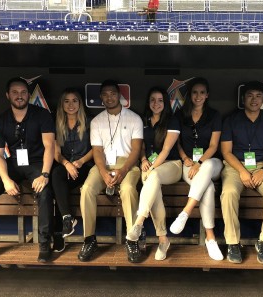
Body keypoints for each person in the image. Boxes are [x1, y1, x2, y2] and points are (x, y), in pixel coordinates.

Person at [0, 77, 55, 263]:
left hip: (36, 163)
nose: (20, 96)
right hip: (13, 164)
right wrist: (5, 180)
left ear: (28, 94)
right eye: (15, 92)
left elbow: (49, 146)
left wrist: (44, 174)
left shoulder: (42, 115)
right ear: (7, 95)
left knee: (45, 191)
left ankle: (44, 243)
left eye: (23, 92)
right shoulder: (1, 120)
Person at [78, 79, 143, 263]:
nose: (109, 97)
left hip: (128, 164)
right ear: (101, 97)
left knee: (129, 189)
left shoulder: (134, 118)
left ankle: (132, 240)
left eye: (113, 93)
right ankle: (89, 239)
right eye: (105, 94)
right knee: (87, 190)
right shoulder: (97, 121)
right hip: (103, 164)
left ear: (119, 95)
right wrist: (103, 172)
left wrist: (122, 171)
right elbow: (97, 151)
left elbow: (136, 150)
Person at [220, 81, 263, 265]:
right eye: (250, 95)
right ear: (243, 98)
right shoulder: (231, 120)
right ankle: (233, 242)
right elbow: (226, 152)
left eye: (258, 96)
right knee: (229, 192)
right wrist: (242, 171)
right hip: (235, 165)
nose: (254, 100)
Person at [169, 77, 224, 261]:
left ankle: (186, 211)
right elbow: (176, 142)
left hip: (211, 163)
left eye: (202, 92)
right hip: (189, 165)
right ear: (189, 95)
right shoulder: (180, 115)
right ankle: (211, 239)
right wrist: (185, 159)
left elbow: (214, 145)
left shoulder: (214, 115)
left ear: (207, 95)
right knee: (207, 188)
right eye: (194, 92)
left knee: (207, 167)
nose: (198, 96)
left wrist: (200, 162)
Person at [126, 87, 182, 261]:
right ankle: (163, 239)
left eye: (160, 100)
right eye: (152, 100)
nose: (156, 104)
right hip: (149, 166)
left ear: (165, 103)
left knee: (154, 177)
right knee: (154, 187)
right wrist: (143, 161)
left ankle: (139, 222)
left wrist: (151, 168)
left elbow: (165, 150)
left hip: (171, 165)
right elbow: (141, 148)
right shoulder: (144, 121)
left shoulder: (172, 121)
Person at [50, 88, 94, 252]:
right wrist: (67, 163)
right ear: (62, 104)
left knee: (55, 189)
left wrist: (80, 162)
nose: (71, 105)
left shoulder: (89, 122)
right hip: (65, 166)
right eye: (66, 101)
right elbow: (56, 153)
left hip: (84, 166)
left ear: (80, 103)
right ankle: (67, 219)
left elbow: (96, 149)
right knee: (55, 177)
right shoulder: (57, 123)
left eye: (74, 101)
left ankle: (59, 234)